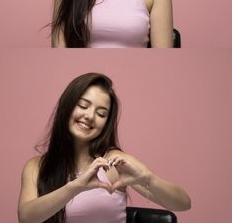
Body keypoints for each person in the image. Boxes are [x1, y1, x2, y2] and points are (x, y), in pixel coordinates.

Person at [18, 73, 191, 223]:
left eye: (101, 114)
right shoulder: (36, 167)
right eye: (83, 106)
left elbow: (183, 204)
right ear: (67, 106)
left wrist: (147, 178)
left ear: (106, 123)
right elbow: (26, 218)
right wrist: (75, 187)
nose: (90, 116)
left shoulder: (113, 163)